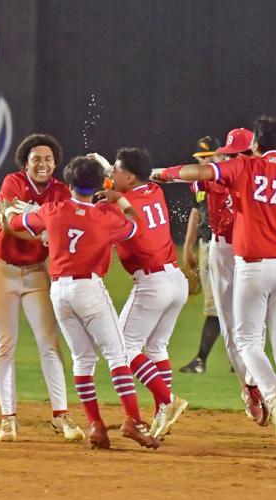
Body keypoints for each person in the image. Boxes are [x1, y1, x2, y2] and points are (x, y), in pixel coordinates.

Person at [152, 115, 276, 447]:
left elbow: (200, 173)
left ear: (256, 146)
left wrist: (162, 174)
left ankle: (274, 399)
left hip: (253, 267)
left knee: (247, 341)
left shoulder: (243, 169)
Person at [2, 155, 160, 450]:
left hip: (59, 291)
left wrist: (6, 212)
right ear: (99, 184)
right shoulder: (104, 217)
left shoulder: (52, 209)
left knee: (82, 360)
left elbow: (15, 222)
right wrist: (117, 198)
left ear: (69, 182)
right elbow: (136, 226)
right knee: (118, 355)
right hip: (88, 288)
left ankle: (96, 426)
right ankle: (132, 420)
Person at [0, 133, 84, 443]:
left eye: (48, 158)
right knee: (4, 343)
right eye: (36, 158)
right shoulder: (13, 182)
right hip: (2, 269)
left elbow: (62, 228)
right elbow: (7, 216)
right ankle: (8, 418)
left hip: (37, 274)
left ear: (56, 163)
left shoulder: (60, 191)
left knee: (49, 343)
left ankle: (60, 415)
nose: (43, 163)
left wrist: (33, 220)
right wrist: (44, 232)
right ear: (25, 162)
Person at [106, 147, 189, 439]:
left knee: (122, 348)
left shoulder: (122, 204)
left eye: (116, 170)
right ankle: (160, 417)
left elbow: (108, 208)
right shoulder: (154, 190)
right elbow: (137, 184)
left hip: (153, 283)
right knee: (155, 349)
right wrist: (115, 182)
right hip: (176, 280)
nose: (112, 174)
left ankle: (167, 400)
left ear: (129, 176)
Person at [192, 128, 268, 427]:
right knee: (231, 328)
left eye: (243, 153)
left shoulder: (264, 180)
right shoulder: (212, 176)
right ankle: (249, 388)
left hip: (255, 252)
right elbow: (193, 176)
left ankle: (262, 387)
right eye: (232, 153)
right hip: (223, 251)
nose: (237, 158)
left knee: (256, 328)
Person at [179, 136, 225, 375]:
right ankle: (237, 359)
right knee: (217, 305)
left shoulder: (228, 179)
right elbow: (196, 212)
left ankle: (201, 361)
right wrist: (188, 245)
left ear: (221, 156)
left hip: (229, 246)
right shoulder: (199, 183)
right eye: (201, 159)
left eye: (210, 158)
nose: (205, 162)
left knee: (222, 306)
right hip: (207, 244)